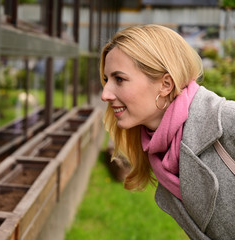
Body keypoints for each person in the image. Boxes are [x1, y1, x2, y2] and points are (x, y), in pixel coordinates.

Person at [100, 24, 235, 240]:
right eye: (107, 81)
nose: (105, 94)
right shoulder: (162, 157)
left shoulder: (228, 121)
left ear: (165, 84)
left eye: (119, 79)